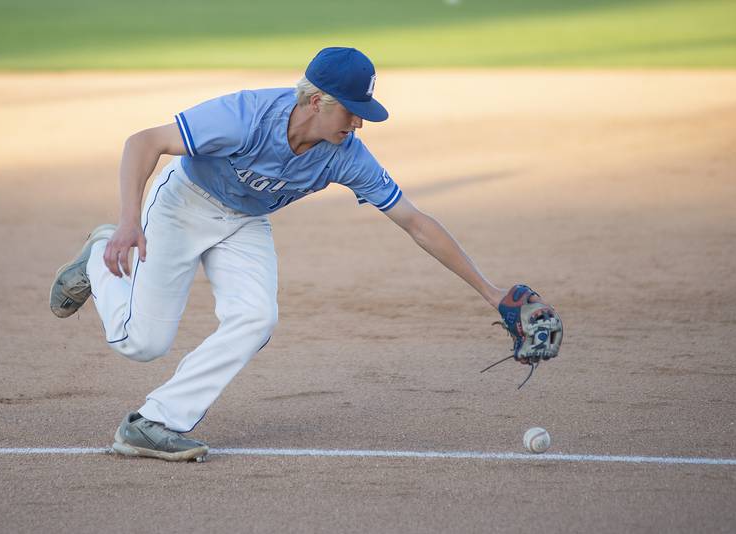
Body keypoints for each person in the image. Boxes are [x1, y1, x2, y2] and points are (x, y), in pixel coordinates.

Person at [50, 47, 533, 462]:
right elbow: (145, 141)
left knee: (256, 317)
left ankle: (153, 422)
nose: (359, 121)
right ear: (316, 100)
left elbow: (415, 222)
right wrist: (130, 222)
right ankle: (99, 255)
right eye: (351, 109)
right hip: (183, 205)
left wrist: (492, 294)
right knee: (143, 344)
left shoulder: (347, 153)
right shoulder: (246, 116)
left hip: (245, 222)